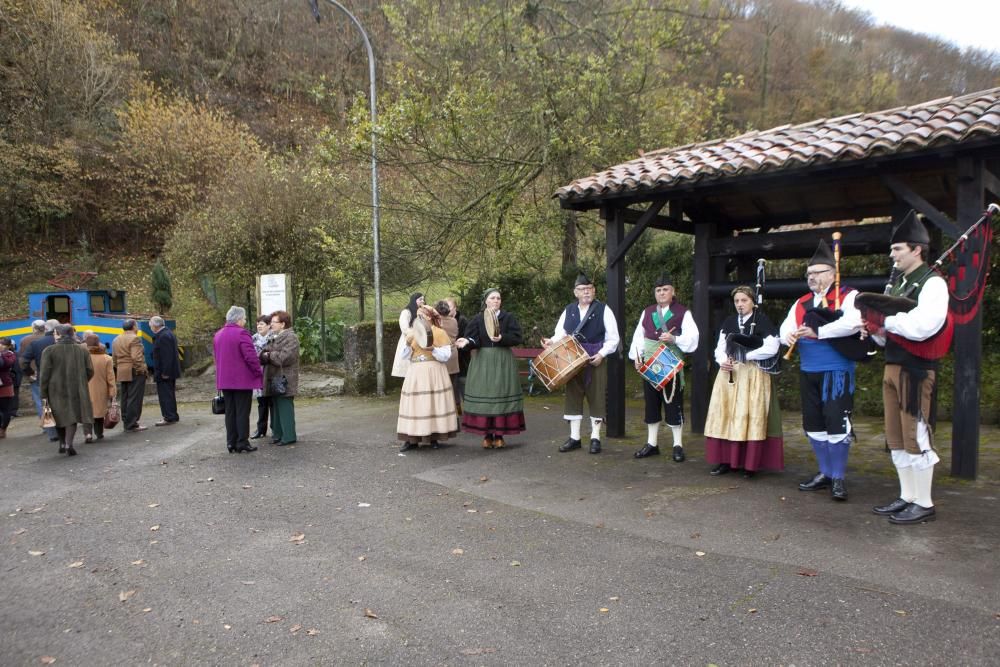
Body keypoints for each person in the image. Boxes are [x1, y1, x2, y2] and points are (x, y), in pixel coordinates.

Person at [865, 212, 947, 524]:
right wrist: (874, 329)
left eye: (897, 249)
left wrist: (885, 320)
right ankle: (907, 496)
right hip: (893, 366)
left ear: (916, 249)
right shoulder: (898, 284)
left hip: (916, 369)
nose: (892, 255)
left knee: (916, 435)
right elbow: (889, 338)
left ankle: (924, 502)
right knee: (896, 436)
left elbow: (925, 326)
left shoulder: (933, 283)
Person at [780, 239, 862, 501]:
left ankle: (838, 477)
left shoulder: (848, 296)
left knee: (837, 423)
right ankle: (825, 472)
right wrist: (789, 336)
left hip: (836, 371)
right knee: (814, 424)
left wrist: (819, 331)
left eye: (816, 273)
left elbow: (853, 323)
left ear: (832, 273)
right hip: (808, 370)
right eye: (809, 274)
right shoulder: (802, 302)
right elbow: (784, 330)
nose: (811, 278)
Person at [704, 286, 784, 477]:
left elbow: (772, 346)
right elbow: (720, 347)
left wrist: (747, 355)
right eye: (737, 301)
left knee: (749, 416)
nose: (740, 304)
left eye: (744, 300)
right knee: (726, 415)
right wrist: (722, 361)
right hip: (729, 374)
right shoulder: (729, 321)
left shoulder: (761, 321)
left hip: (753, 374)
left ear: (752, 302)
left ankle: (749, 464)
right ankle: (725, 461)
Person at [628, 272, 700, 462]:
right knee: (651, 405)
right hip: (651, 366)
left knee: (673, 405)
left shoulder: (683, 312)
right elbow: (639, 337)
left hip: (670, 366)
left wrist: (674, 338)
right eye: (658, 290)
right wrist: (637, 357)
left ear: (672, 291)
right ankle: (652, 444)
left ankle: (678, 445)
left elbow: (693, 339)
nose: (661, 293)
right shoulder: (647, 311)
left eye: (665, 289)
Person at [545, 273, 620, 454]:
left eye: (590, 289)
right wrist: (551, 341)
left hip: (595, 358)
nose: (586, 292)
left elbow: (613, 338)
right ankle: (575, 438)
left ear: (594, 290)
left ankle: (595, 438)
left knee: (597, 397)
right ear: (575, 292)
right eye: (582, 289)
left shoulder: (604, 310)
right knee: (573, 395)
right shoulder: (569, 310)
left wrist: (602, 354)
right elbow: (561, 333)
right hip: (571, 359)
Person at [455, 289, 525, 448]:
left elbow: (517, 337)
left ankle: (499, 436)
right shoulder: (478, 319)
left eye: (498, 298)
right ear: (486, 301)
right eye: (492, 298)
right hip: (483, 362)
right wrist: (466, 343)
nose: (496, 301)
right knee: (485, 395)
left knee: (501, 394)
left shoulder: (508, 318)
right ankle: (487, 436)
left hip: (502, 361)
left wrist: (502, 338)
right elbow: (473, 339)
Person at [398, 305, 459, 451]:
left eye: (422, 316)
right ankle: (411, 439)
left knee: (433, 403)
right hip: (415, 371)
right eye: (417, 315)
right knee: (414, 405)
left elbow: (445, 356)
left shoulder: (439, 332)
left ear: (430, 317)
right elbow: (404, 356)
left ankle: (434, 437)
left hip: (434, 370)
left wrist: (433, 349)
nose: (418, 319)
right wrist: (407, 343)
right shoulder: (412, 333)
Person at [213, 306, 263, 453]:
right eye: (245, 319)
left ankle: (231, 442)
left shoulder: (218, 334)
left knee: (230, 411)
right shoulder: (241, 333)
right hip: (242, 380)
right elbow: (250, 356)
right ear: (239, 319)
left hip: (225, 380)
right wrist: (257, 372)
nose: (245, 321)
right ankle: (242, 441)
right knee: (242, 411)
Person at [40, 324, 94, 456]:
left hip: (55, 389)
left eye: (54, 333)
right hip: (77, 388)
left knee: (59, 416)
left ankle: (62, 443)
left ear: (58, 334)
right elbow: (90, 371)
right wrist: (81, 381)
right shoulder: (82, 350)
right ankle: (69, 443)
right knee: (73, 416)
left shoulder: (49, 350)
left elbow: (44, 374)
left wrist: (43, 392)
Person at [261, 310, 300, 446]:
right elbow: (263, 352)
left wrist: (269, 355)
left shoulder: (291, 338)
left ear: (283, 324)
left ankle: (288, 436)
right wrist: (268, 354)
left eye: (273, 322)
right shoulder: (274, 336)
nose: (271, 325)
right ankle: (277, 434)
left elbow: (284, 358)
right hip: (273, 378)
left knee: (284, 407)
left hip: (285, 379)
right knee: (276, 408)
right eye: (271, 322)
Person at [21, 319, 59, 441]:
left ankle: (50, 430)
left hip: (40, 377)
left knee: (43, 403)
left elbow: (22, 361)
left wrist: (30, 373)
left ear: (33, 328)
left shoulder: (27, 340)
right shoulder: (62, 340)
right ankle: (63, 429)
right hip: (61, 377)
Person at [112, 319, 149, 432]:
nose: (137, 328)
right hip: (134, 370)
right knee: (135, 397)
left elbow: (114, 358)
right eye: (136, 326)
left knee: (125, 396)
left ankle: (126, 420)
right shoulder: (134, 338)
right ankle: (132, 423)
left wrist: (118, 368)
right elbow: (136, 358)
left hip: (122, 370)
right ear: (133, 327)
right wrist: (142, 370)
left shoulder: (116, 339)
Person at [82, 333, 116, 443]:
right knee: (99, 412)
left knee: (86, 412)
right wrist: (112, 392)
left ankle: (88, 434)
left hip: (84, 388)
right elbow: (111, 378)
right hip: (101, 389)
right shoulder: (107, 358)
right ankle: (99, 433)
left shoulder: (82, 356)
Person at [150, 316, 181, 426]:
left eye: (151, 326)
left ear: (155, 325)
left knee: (165, 395)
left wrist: (165, 372)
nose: (151, 328)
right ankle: (172, 415)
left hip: (165, 372)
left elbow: (166, 356)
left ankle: (169, 416)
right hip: (168, 371)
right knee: (169, 394)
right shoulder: (168, 333)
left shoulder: (163, 336)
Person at [435, 300, 462, 424]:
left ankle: (446, 413)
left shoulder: (437, 323)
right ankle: (458, 409)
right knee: (454, 384)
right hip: (453, 353)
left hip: (442, 354)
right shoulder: (454, 321)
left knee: (443, 385)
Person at [391, 293, 424, 378]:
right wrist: (416, 332)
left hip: (421, 341)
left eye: (423, 299)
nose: (422, 301)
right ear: (414, 300)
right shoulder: (406, 312)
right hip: (408, 340)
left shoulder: (422, 312)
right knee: (408, 366)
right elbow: (404, 328)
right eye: (420, 299)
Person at [251, 316, 273, 439]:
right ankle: (261, 429)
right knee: (262, 403)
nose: (259, 326)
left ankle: (275, 429)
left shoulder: (274, 338)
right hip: (259, 374)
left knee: (273, 403)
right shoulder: (252, 339)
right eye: (258, 324)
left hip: (271, 373)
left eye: (262, 324)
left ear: (269, 325)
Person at [0, 338, 17, 438]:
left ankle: (3, 429)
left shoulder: (9, 354)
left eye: (3, 344)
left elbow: (7, 364)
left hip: (5, 384)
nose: (1, 345)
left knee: (5, 409)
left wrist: (0, 355)